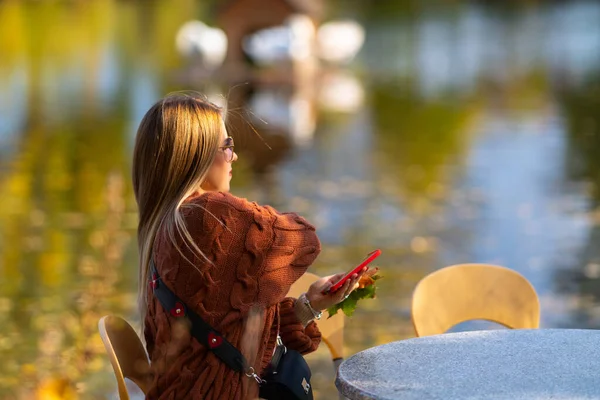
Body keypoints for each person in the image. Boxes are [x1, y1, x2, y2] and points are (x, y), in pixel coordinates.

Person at [132, 93, 364, 400]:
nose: (234, 157)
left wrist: (308, 306)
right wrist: (247, 209)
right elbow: (305, 239)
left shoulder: (166, 227)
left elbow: (226, 329)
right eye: (226, 146)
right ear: (195, 156)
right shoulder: (209, 215)